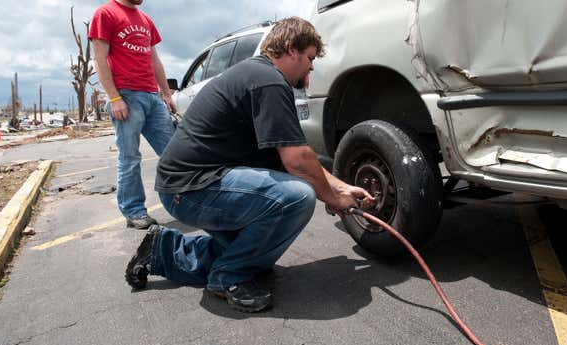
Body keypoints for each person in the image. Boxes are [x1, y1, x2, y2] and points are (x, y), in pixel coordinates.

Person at [124, 17, 375, 313]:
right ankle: (227, 278)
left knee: (253, 251)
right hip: (192, 188)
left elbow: (302, 159)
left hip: (194, 184)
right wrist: (332, 197)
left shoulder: (258, 74)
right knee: (298, 197)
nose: (310, 69)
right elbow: (296, 161)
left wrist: (342, 187)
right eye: (309, 58)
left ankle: (163, 252)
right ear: (291, 50)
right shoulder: (268, 80)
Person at [89, 0, 176, 229]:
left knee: (174, 153)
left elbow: (154, 58)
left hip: (151, 96)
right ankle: (134, 210)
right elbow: (99, 58)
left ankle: (186, 200)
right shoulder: (106, 13)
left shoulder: (145, 19)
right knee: (130, 158)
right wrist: (114, 97)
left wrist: (166, 93)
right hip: (126, 95)